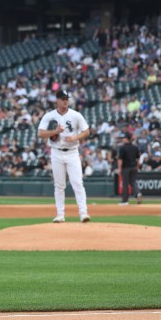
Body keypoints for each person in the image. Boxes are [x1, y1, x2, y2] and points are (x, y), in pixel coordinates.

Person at [38, 89, 91, 223]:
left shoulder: (76, 115)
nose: (65, 100)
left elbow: (86, 131)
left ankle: (83, 213)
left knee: (78, 183)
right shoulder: (49, 116)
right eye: (62, 98)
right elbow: (40, 133)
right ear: (57, 100)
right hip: (56, 152)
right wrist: (54, 131)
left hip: (72, 152)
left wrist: (76, 137)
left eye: (66, 98)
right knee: (59, 185)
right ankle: (60, 215)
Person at [117, 133, 142, 206]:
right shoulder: (135, 147)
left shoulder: (123, 148)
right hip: (134, 167)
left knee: (125, 183)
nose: (122, 139)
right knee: (133, 182)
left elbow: (120, 160)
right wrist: (137, 167)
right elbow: (138, 159)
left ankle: (125, 200)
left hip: (126, 168)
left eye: (123, 138)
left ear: (126, 139)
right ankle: (138, 193)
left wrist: (119, 168)